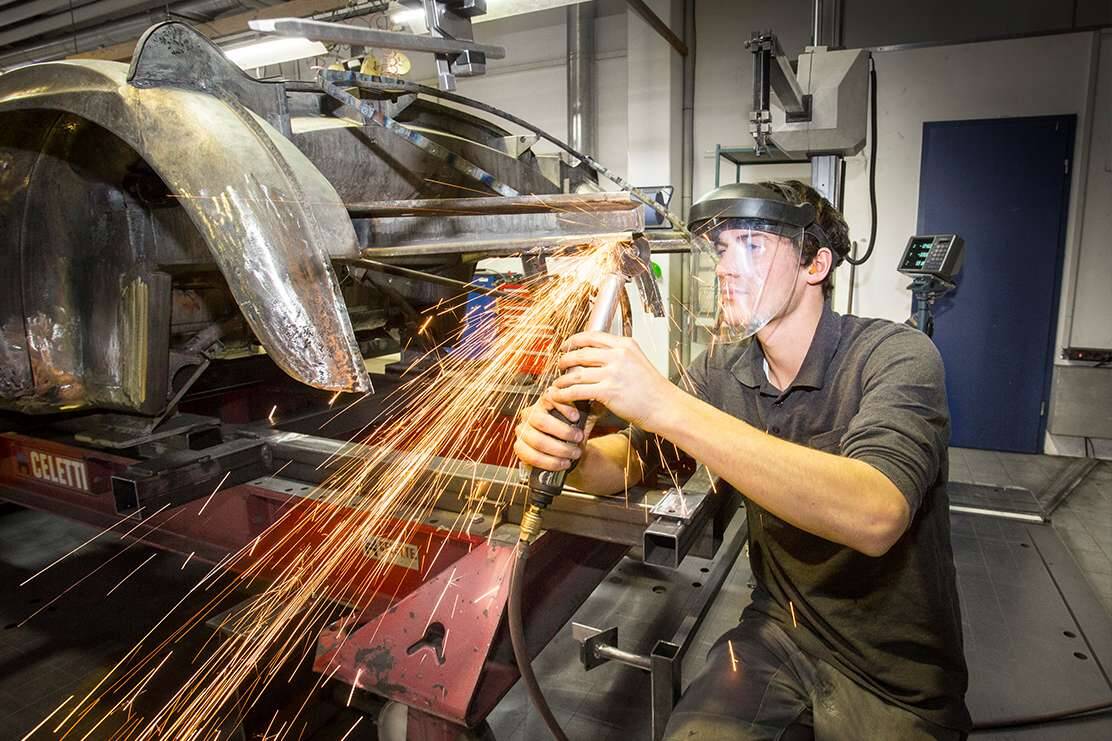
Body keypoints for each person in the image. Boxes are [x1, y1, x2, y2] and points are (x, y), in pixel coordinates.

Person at [513, 181, 971, 740]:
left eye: (752, 244)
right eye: (723, 247)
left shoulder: (895, 356)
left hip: (894, 672)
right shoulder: (722, 370)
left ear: (816, 265)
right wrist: (573, 453)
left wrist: (668, 405)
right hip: (779, 633)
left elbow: (875, 515)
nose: (726, 266)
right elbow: (632, 461)